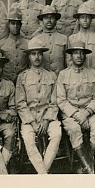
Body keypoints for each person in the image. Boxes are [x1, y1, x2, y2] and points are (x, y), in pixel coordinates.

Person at [15, 39, 63, 175]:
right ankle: (44, 174)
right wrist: (32, 123)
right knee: (29, 139)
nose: (37, 57)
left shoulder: (51, 76)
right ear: (29, 57)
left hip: (48, 118)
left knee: (57, 133)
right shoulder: (22, 77)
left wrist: (46, 120)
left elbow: (54, 102)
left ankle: (42, 173)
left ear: (43, 56)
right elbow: (20, 103)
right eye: (33, 54)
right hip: (29, 120)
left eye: (39, 54)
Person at [56, 42, 95, 174]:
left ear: (85, 56)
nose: (79, 56)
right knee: (74, 129)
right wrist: (76, 113)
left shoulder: (93, 74)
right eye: (76, 53)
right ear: (71, 55)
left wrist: (87, 112)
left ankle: (87, 163)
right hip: (71, 114)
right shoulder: (63, 75)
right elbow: (61, 100)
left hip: (90, 112)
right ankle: (88, 167)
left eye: (82, 53)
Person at [31, 6, 70, 73]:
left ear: (56, 20)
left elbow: (69, 62)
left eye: (51, 17)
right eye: (46, 18)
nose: (49, 20)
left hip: (60, 77)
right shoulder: (36, 39)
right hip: (43, 79)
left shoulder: (64, 39)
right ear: (42, 20)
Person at [0, 12, 29, 83]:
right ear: (8, 25)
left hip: (24, 80)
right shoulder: (1, 44)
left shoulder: (27, 43)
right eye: (13, 23)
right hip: (6, 81)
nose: (15, 26)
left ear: (21, 25)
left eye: (18, 23)